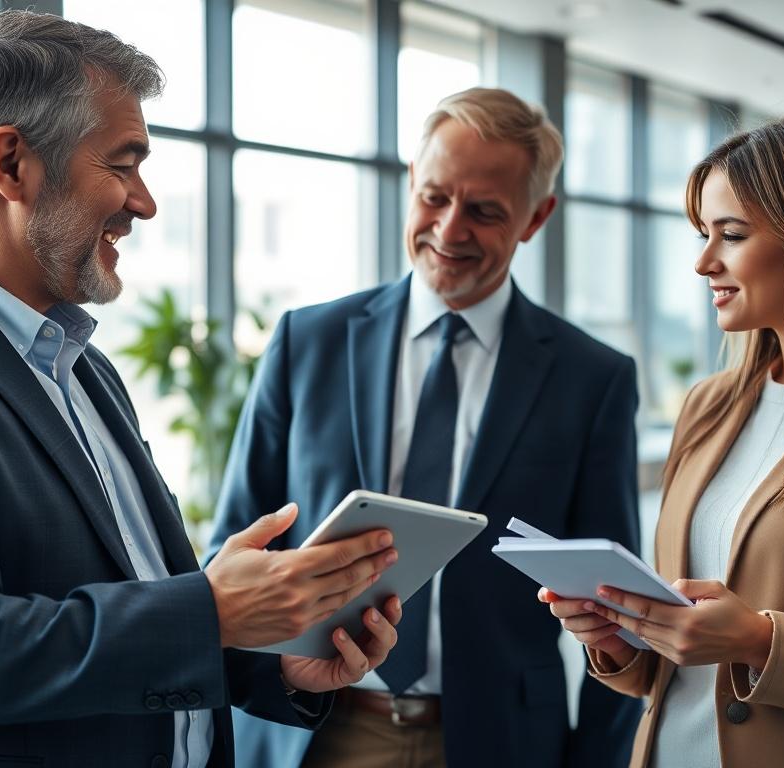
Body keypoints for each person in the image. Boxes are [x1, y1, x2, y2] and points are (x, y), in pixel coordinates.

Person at [0, 11, 402, 768]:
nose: (145, 202)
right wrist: (213, 607)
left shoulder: (80, 365)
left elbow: (143, 608)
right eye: (122, 165)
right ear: (11, 164)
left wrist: (276, 658)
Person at [208, 87, 642, 768]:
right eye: (435, 197)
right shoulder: (307, 342)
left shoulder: (592, 380)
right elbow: (231, 548)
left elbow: (617, 609)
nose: (449, 230)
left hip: (503, 741)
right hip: (317, 730)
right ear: (411, 181)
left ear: (536, 217)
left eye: (485, 211)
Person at [542, 113, 784, 767]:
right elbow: (677, 673)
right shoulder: (709, 407)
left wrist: (762, 642)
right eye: (702, 234)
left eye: (731, 235)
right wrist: (624, 641)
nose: (703, 261)